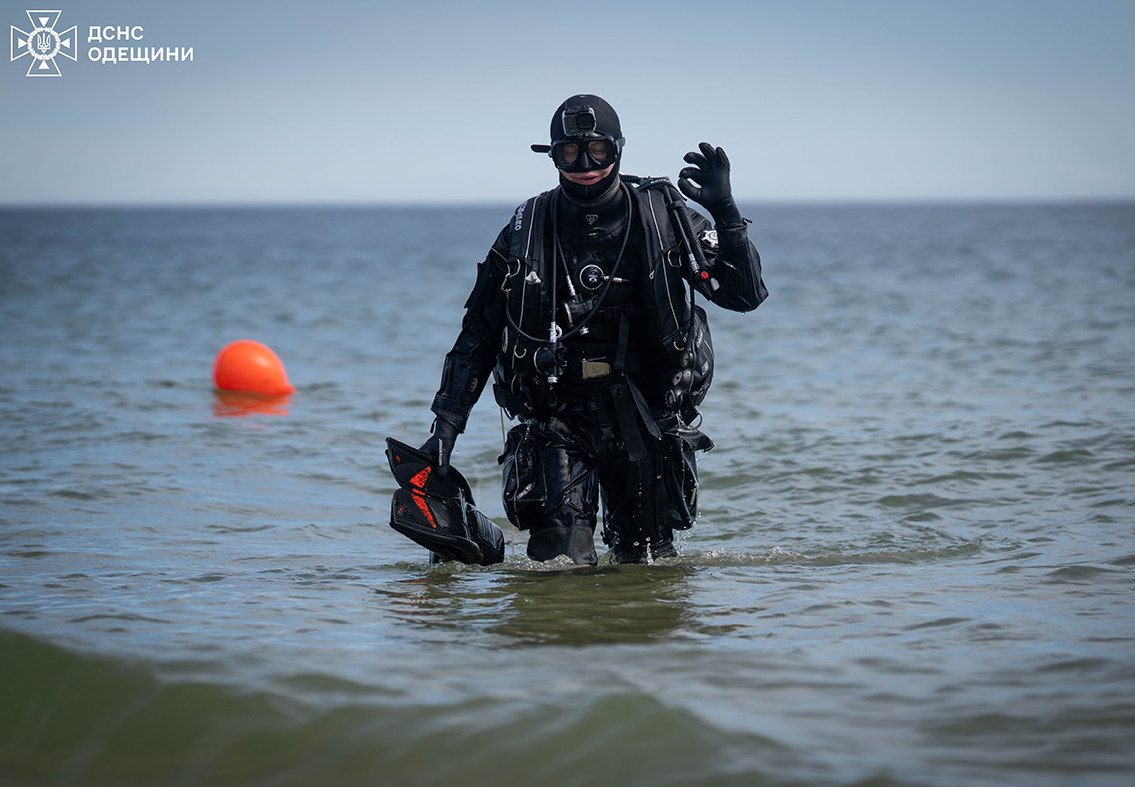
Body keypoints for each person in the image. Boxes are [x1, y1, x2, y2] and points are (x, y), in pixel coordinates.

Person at [419, 94, 767, 565]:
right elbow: (479, 332)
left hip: (647, 414)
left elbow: (743, 295)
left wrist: (726, 213)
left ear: (618, 149)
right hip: (560, 415)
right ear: (553, 155)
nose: (585, 164)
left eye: (597, 151)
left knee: (644, 568)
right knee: (559, 563)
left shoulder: (665, 216)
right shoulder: (527, 227)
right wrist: (446, 424)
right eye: (569, 152)